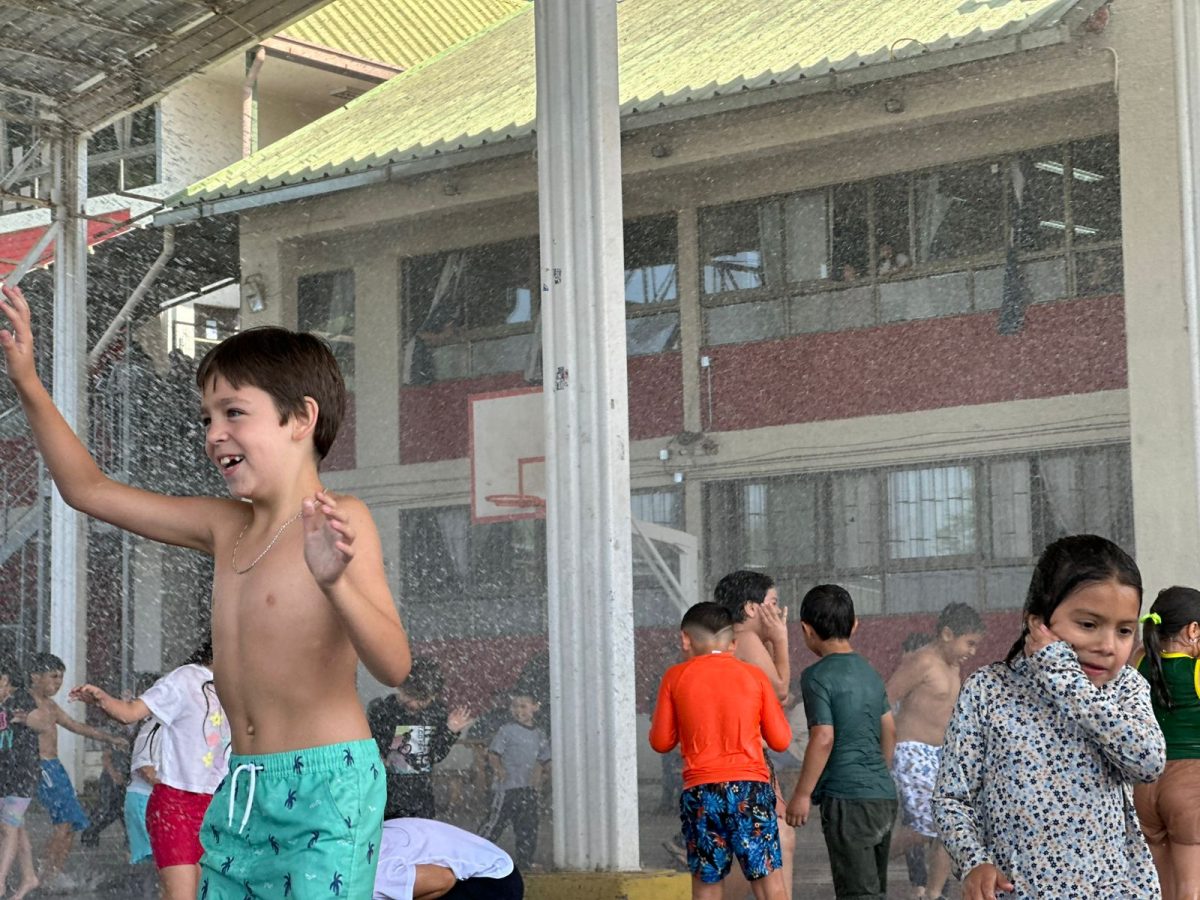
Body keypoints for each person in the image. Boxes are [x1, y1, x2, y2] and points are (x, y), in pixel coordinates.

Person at [0, 284, 412, 899]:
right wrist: (28, 381)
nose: (214, 433)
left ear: (301, 418)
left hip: (326, 786)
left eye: (233, 413)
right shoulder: (226, 528)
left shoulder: (337, 519)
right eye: (207, 418)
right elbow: (88, 489)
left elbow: (395, 664)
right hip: (240, 783)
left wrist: (336, 584)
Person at [933, 534, 1165, 900]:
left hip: (1112, 890)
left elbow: (1148, 762)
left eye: (1124, 630)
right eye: (1088, 624)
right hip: (1019, 891)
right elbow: (952, 797)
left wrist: (1065, 679)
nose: (1107, 645)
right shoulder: (989, 690)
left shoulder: (1124, 687)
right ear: (1038, 622)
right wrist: (974, 861)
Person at [649, 602, 791, 900]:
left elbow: (661, 742)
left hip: (702, 793)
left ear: (685, 639)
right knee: (768, 883)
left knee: (707, 884)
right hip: (750, 790)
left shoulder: (675, 677)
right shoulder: (754, 676)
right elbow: (780, 741)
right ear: (734, 643)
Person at [71, 639, 230, 900]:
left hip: (218, 808)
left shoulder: (239, 688)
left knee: (203, 894)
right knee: (181, 895)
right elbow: (130, 712)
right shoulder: (186, 678)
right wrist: (103, 699)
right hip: (176, 804)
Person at [785, 584, 897, 900]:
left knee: (856, 894)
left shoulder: (816, 676)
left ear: (806, 630)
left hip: (848, 799)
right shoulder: (870, 672)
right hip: (883, 797)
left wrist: (802, 794)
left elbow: (823, 737)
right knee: (873, 891)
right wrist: (879, 772)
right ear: (855, 624)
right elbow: (889, 728)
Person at [887, 602, 985, 900]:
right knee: (926, 829)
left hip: (943, 755)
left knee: (952, 826)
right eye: (969, 643)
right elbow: (884, 699)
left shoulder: (955, 666)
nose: (972, 652)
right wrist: (885, 750)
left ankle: (932, 894)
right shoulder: (923, 661)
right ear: (946, 634)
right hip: (912, 753)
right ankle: (871, 855)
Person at [713, 570, 795, 900]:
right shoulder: (744, 639)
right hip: (744, 759)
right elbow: (781, 689)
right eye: (773, 604)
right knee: (775, 838)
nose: (777, 612)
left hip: (740, 758)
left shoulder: (731, 639)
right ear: (751, 608)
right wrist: (782, 639)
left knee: (775, 838)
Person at [25, 651, 127, 893]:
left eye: (61, 677)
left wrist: (109, 737)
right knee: (63, 824)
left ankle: (51, 874)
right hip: (42, 768)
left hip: (55, 768)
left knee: (70, 825)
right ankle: (43, 876)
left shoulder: (50, 705)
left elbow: (76, 726)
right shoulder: (24, 703)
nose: (58, 682)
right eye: (53, 676)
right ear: (35, 677)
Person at [1133, 585, 1200, 899]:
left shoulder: (1139, 661)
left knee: (1161, 890)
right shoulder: (1197, 667)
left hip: (1144, 787)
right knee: (1191, 889)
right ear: (1193, 630)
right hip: (1190, 787)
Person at [368, 657, 475, 820]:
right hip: (385, 795)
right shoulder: (383, 710)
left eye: (423, 700)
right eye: (410, 695)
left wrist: (450, 731)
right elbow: (370, 746)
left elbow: (435, 755)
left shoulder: (435, 713)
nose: (415, 704)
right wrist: (377, 756)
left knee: (421, 838)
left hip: (420, 797)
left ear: (433, 696)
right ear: (401, 688)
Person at [478, 690, 549, 870]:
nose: (518, 711)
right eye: (515, 706)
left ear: (535, 707)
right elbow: (494, 754)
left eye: (523, 706)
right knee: (494, 823)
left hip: (528, 789)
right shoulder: (506, 731)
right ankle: (476, 854)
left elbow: (545, 759)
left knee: (528, 826)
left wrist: (544, 774)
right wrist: (498, 768)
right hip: (506, 788)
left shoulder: (539, 734)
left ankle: (525, 861)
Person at [372, 818, 523, 900]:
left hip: (494, 881)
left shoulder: (378, 878)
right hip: (489, 865)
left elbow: (445, 879)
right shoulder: (365, 843)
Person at [0, 660, 46, 900]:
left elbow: (43, 722)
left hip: (22, 773)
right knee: (16, 829)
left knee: (8, 828)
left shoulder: (21, 700)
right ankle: (29, 877)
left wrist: (27, 719)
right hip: (3, 774)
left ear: (5, 680)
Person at [124, 671, 163, 871]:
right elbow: (145, 769)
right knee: (152, 860)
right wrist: (175, 788)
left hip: (150, 799)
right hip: (144, 800)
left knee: (157, 859)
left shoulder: (161, 725)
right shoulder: (153, 727)